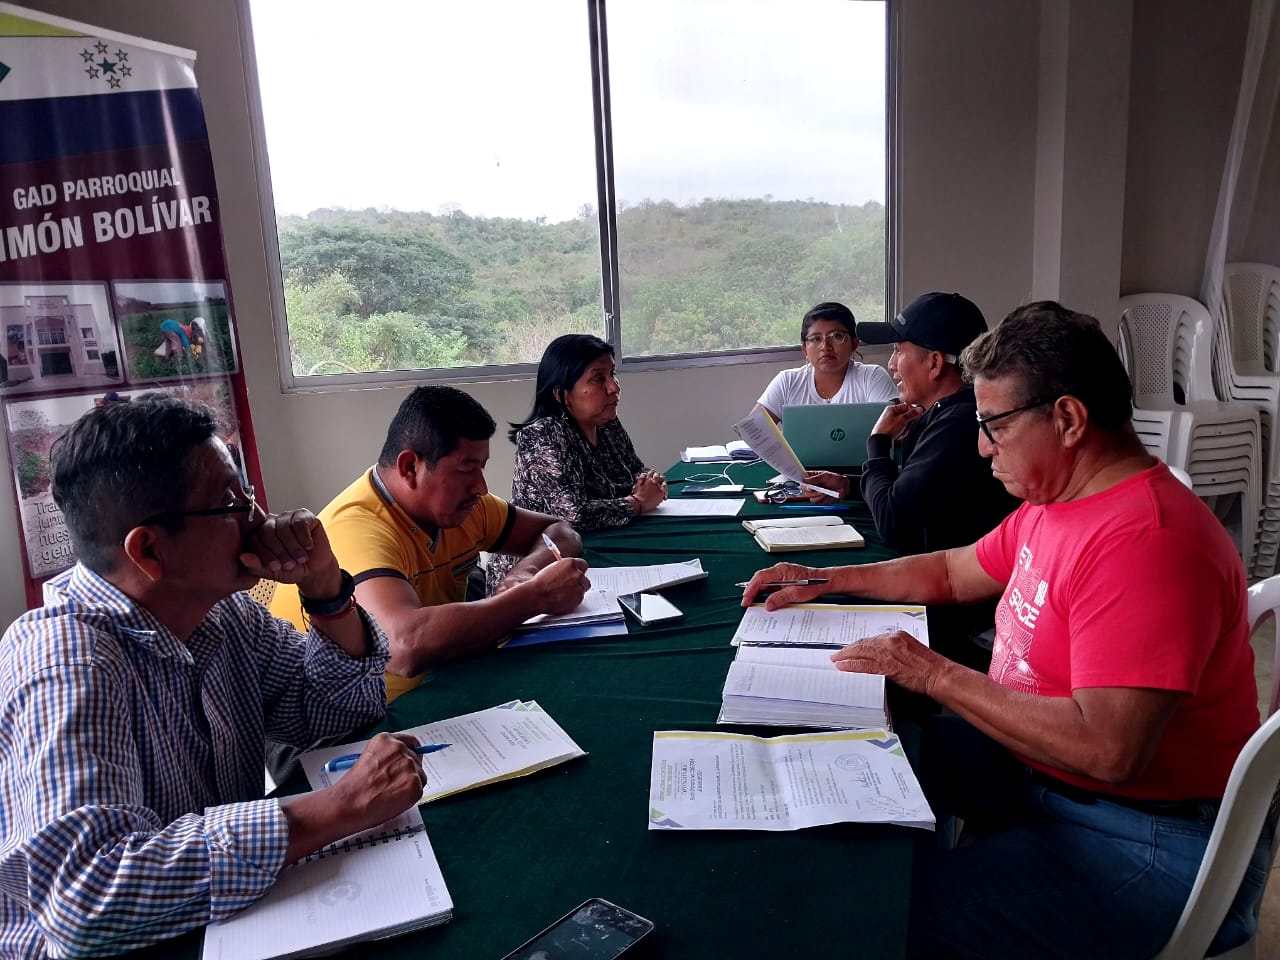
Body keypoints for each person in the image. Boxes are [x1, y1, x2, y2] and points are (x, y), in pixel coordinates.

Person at [742, 302, 1269, 959]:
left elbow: (1108, 750)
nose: (983, 447)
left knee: (875, 919)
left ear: (1067, 419)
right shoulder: (1059, 501)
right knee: (836, 762)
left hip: (1143, 837)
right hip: (1044, 774)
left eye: (993, 426)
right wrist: (828, 580)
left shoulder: (1145, 543)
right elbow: (950, 571)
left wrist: (932, 672)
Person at [0, 396, 427, 958]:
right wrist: (341, 806)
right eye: (231, 503)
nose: (261, 518)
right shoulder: (67, 662)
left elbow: (339, 713)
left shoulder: (224, 615)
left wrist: (325, 588)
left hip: (224, 923)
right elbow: (86, 899)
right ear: (149, 549)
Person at [270, 385, 591, 703]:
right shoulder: (357, 529)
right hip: (354, 717)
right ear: (410, 467)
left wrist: (526, 571)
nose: (481, 487)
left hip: (436, 681)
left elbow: (560, 531)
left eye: (482, 467)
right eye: (467, 469)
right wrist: (534, 596)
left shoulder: (465, 508)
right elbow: (403, 647)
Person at [805, 292, 1019, 666]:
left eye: (898, 351)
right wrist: (850, 486)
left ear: (934, 362)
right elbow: (913, 488)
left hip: (960, 615)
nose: (891, 364)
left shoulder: (958, 424)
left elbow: (893, 521)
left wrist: (877, 444)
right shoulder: (944, 412)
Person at [488, 334, 666, 592]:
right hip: (533, 576)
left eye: (612, 374)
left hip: (598, 547)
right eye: (598, 379)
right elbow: (572, 516)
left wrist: (652, 481)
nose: (614, 387)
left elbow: (636, 470)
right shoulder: (543, 435)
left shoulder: (607, 423)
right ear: (562, 394)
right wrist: (637, 503)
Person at [756, 301, 898, 420]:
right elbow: (753, 432)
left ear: (854, 344)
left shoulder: (872, 377)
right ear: (805, 349)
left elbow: (897, 429)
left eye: (837, 336)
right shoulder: (787, 382)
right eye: (816, 339)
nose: (825, 346)